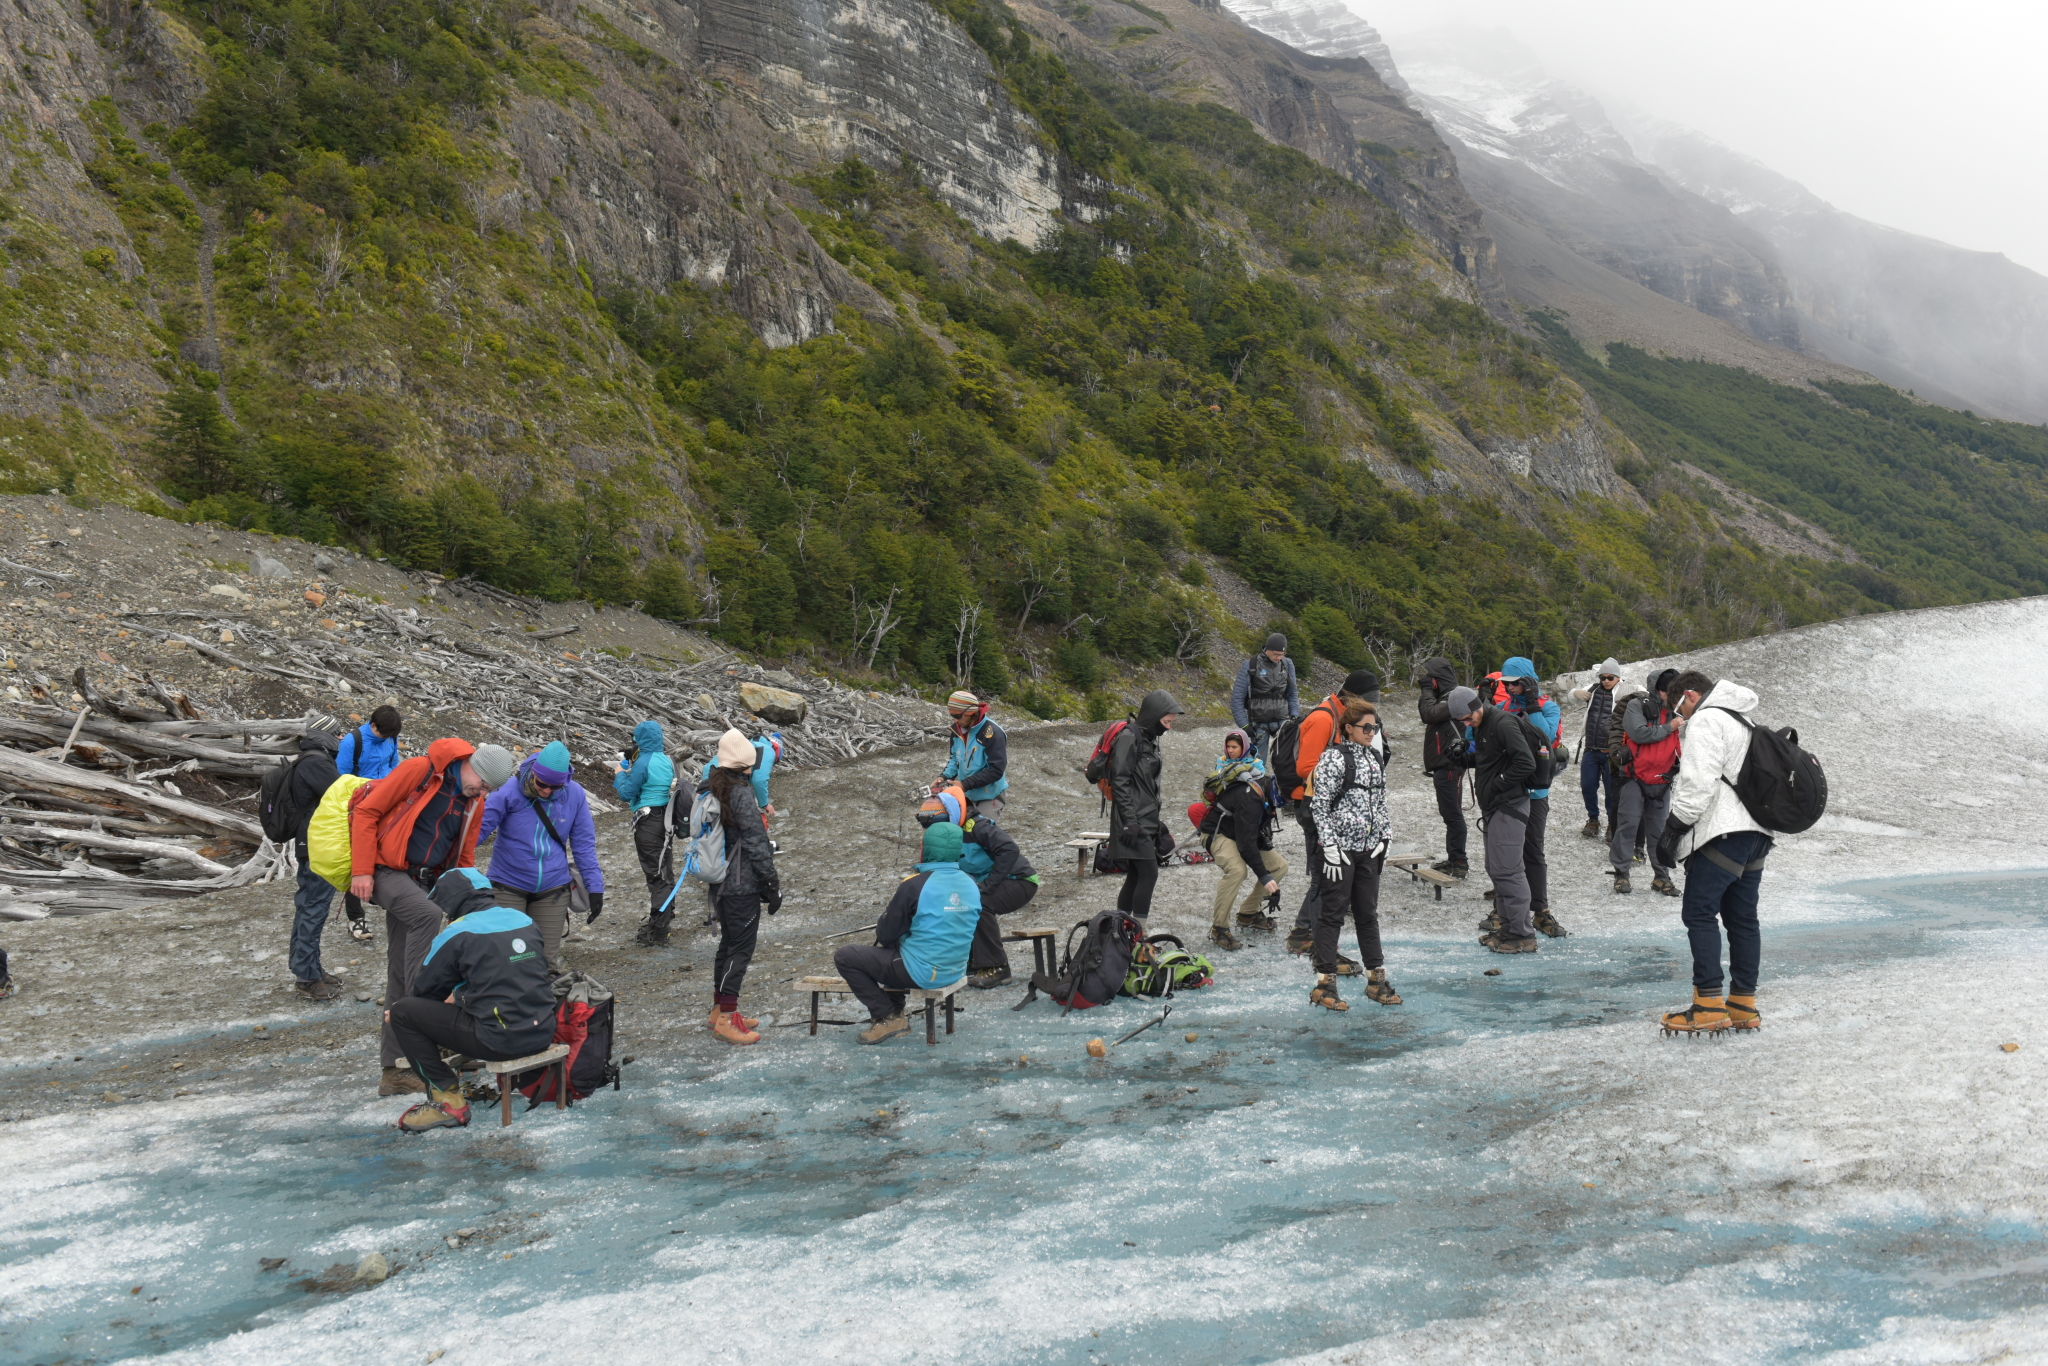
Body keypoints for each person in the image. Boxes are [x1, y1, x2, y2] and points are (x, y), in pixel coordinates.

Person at [349, 738, 516, 1096]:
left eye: (488, 790)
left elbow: (466, 857)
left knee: (399, 966)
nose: (481, 792)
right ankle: (423, 1009)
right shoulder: (419, 771)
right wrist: (361, 870)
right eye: (482, 784)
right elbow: (366, 813)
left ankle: (393, 1071)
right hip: (385, 870)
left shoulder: (474, 802)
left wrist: (473, 907)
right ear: (472, 765)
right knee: (427, 915)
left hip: (424, 880)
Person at [384, 868, 559, 1132]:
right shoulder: (522, 919)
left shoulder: (458, 932)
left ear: (451, 901)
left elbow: (424, 993)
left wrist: (402, 1012)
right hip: (543, 1032)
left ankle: (446, 1099)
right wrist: (461, 995)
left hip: (498, 1041)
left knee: (404, 1012)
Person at [1655, 670, 1770, 1035]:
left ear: (1691, 695)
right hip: (1756, 832)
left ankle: (1707, 1005)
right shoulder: (1743, 719)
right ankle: (1742, 1004)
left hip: (1721, 832)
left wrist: (1672, 829)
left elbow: (1698, 783)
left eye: (1679, 708)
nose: (1680, 717)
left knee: (1699, 912)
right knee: (1742, 918)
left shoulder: (1706, 719)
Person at [833, 820, 980, 1045]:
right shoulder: (971, 883)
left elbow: (886, 934)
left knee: (846, 956)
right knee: (899, 950)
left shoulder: (915, 885)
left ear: (925, 849)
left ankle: (887, 1016)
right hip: (955, 969)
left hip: (922, 973)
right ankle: (895, 1010)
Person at [476, 741, 605, 973]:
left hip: (553, 889)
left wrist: (595, 887)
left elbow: (583, 845)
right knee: (507, 960)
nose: (546, 791)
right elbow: (476, 833)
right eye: (542, 784)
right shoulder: (508, 791)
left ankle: (545, 1009)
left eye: (554, 787)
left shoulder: (574, 794)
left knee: (546, 966)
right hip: (507, 885)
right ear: (533, 773)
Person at [1283, 669, 1382, 960]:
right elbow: (1305, 767)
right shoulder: (1323, 718)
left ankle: (1303, 932)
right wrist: (1345, 776)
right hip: (1314, 806)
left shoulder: (1338, 718)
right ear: (1351, 697)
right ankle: (1317, 944)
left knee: (1323, 874)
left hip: (1329, 805)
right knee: (1323, 875)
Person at [1307, 705, 1401, 1011]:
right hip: (1341, 851)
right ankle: (1324, 983)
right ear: (1349, 728)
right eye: (1366, 728)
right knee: (1332, 913)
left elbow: (1380, 801)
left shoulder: (1374, 757)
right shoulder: (1334, 757)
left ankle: (1376, 978)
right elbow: (1319, 806)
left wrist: (1386, 835)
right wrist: (1330, 846)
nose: (1371, 733)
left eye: (1374, 728)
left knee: (1367, 913)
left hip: (1369, 849)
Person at [1447, 686, 1539, 954]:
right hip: (1496, 807)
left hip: (1509, 805)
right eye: (1461, 721)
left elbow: (1526, 763)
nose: (1466, 723)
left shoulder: (1502, 722)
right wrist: (1464, 755)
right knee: (1497, 868)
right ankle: (1509, 928)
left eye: (1467, 718)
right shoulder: (1484, 725)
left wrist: (1498, 785)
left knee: (1509, 870)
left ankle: (1523, 934)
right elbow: (1491, 759)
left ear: (1477, 705)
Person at [704, 729, 780, 1045]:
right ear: (746, 762)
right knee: (740, 948)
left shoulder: (714, 786)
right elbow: (756, 842)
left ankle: (720, 1010)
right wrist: (772, 884)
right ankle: (725, 1019)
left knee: (728, 944)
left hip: (720, 882)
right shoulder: (740, 794)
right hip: (740, 885)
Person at [922, 783, 1040, 988]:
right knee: (955, 904)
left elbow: (1009, 849)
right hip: (991, 882)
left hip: (1019, 881)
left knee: (980, 904)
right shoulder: (949, 834)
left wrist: (987, 885)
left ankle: (999, 967)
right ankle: (973, 963)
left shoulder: (978, 826)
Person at [1501, 657, 1567, 939]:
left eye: (1514, 683)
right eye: (1505, 684)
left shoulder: (1548, 707)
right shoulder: (1503, 707)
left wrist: (1531, 704)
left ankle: (1540, 910)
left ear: (1528, 682)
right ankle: (1504, 909)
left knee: (1533, 851)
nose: (1509, 688)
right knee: (1505, 852)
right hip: (1508, 789)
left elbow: (1545, 736)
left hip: (1536, 792)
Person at [1202, 737, 1285, 951]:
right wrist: (1264, 877)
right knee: (1237, 870)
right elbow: (1246, 846)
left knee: (1279, 866)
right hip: (1217, 832)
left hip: (1240, 833)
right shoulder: (1253, 797)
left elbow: (1253, 835)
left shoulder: (1266, 790)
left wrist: (1267, 863)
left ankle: (1248, 913)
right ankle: (1219, 927)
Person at [1106, 689, 1182, 922]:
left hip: (1143, 818)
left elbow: (1144, 786)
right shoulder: (1130, 737)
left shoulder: (1148, 739)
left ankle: (1123, 932)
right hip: (1133, 821)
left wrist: (1153, 822)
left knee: (1136, 875)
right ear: (1153, 716)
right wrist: (1130, 822)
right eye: (1166, 721)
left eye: (1171, 723)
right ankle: (1138, 933)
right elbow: (1120, 780)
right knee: (1149, 873)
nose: (1168, 727)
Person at [616, 720, 690, 946]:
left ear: (639, 740)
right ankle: (664, 918)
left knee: (655, 875)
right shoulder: (668, 760)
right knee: (664, 869)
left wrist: (620, 773)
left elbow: (626, 794)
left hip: (648, 823)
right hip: (667, 821)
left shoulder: (643, 761)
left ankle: (659, 930)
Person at [1612, 668, 1684, 897]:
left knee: (1659, 832)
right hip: (1634, 777)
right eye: (1666, 691)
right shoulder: (1637, 706)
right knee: (1628, 826)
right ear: (1656, 689)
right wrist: (1669, 727)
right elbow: (1639, 734)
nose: (1670, 696)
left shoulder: (1678, 710)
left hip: (1662, 780)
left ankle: (1661, 878)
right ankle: (1621, 874)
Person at [285, 726, 344, 1001]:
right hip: (319, 846)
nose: (341, 738)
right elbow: (343, 797)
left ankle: (309, 969)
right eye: (337, 732)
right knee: (313, 909)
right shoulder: (318, 763)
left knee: (308, 907)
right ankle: (307, 977)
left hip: (310, 843)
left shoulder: (309, 759)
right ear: (325, 734)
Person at [1417, 657, 1469, 878]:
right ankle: (1455, 859)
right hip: (1446, 765)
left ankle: (1459, 862)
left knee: (1452, 814)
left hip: (1449, 765)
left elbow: (1427, 715)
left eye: (1430, 677)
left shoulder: (1454, 698)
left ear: (1437, 678)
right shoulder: (1448, 697)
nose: (1427, 681)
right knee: (1449, 813)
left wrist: (1426, 690)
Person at [1570, 659, 1624, 838]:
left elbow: (1643, 692)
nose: (1606, 681)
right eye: (1603, 677)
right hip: (1590, 748)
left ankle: (1611, 823)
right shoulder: (1593, 689)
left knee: (1611, 790)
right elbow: (1571, 697)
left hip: (1611, 752)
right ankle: (1593, 819)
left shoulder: (1625, 690)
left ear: (1618, 677)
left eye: (1610, 677)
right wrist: (1576, 692)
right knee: (1587, 786)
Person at [937, 690, 1009, 818]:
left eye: (958, 716)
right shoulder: (957, 731)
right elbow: (955, 758)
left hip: (990, 795)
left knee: (980, 832)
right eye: (951, 715)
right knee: (961, 831)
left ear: (970, 713)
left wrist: (964, 784)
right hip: (968, 792)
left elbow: (996, 770)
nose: (954, 719)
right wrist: (944, 776)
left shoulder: (992, 733)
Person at [1230, 633, 1299, 762]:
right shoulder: (1250, 664)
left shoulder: (1287, 664)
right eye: (1276, 654)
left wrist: (1294, 714)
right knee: (1257, 763)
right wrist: (1244, 725)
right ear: (1267, 649)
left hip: (1282, 721)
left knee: (1287, 760)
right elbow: (1237, 698)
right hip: (1259, 723)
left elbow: (1293, 693)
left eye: (1281, 655)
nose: (1279, 658)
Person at [335, 705, 403, 779]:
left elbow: (393, 763)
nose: (387, 738)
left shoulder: (390, 735)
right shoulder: (351, 742)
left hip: (386, 784)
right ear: (373, 725)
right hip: (363, 788)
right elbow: (342, 775)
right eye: (384, 735)